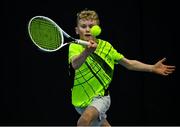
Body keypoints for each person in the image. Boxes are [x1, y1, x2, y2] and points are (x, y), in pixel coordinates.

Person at [68, 9, 176, 127]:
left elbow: (129, 63)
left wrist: (152, 68)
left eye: (91, 26)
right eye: (83, 26)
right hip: (79, 101)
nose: (87, 29)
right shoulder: (75, 46)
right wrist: (87, 52)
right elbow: (75, 64)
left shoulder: (106, 47)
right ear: (77, 30)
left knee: (83, 122)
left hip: (100, 98)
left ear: (97, 29)